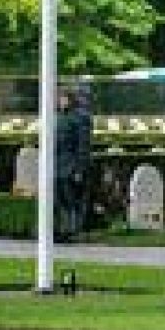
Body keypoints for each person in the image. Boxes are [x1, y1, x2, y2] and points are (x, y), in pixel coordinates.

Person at [55, 86, 95, 241]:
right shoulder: (58, 117)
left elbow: (83, 146)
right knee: (59, 197)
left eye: (64, 98)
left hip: (71, 164)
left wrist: (79, 169)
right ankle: (61, 229)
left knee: (72, 199)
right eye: (60, 98)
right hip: (57, 164)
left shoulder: (80, 117)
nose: (61, 101)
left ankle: (73, 230)